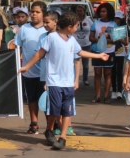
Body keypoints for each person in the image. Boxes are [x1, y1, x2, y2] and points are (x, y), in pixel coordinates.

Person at [19, 12, 109, 149]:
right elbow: (39, 54)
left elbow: (80, 53)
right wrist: (27, 66)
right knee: (54, 111)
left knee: (67, 111)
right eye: (76, 26)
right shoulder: (52, 38)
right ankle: (49, 130)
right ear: (69, 26)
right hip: (54, 81)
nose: (77, 29)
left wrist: (98, 56)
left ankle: (63, 137)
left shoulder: (72, 40)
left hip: (68, 82)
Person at [14, 1, 47, 134]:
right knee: (32, 99)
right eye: (32, 11)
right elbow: (17, 47)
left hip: (46, 73)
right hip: (29, 72)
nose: (34, 14)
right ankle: (34, 124)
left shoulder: (48, 29)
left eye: (37, 12)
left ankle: (52, 125)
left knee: (46, 100)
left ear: (43, 13)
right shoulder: (24, 29)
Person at [89, 3, 117, 104]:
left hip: (109, 51)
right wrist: (99, 40)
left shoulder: (114, 25)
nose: (102, 13)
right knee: (97, 74)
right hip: (97, 51)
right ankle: (97, 96)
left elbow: (116, 40)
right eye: (100, 11)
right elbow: (91, 38)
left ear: (109, 12)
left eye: (104, 11)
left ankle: (106, 96)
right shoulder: (95, 23)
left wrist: (106, 40)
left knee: (108, 74)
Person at [111, 10, 130, 99]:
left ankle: (119, 90)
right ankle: (113, 90)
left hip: (121, 53)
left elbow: (128, 42)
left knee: (119, 72)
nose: (116, 20)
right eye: (115, 18)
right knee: (112, 71)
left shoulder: (125, 28)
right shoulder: (110, 26)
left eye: (118, 18)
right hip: (111, 51)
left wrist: (120, 39)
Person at [73, 5, 93, 85]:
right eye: (77, 11)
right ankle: (74, 79)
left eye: (81, 11)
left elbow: (93, 29)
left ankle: (85, 79)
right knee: (74, 62)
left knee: (85, 64)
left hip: (86, 44)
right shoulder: (73, 20)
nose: (79, 12)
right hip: (75, 44)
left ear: (84, 11)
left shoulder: (88, 20)